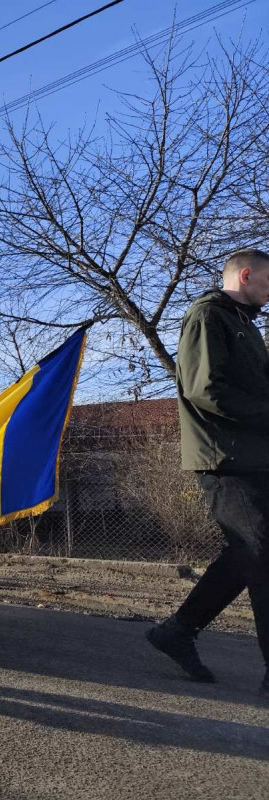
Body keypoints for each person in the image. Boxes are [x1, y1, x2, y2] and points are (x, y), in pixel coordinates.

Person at [146, 248, 269, 696]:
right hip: (224, 459)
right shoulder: (207, 317)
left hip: (255, 457)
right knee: (261, 553)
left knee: (248, 552)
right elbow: (206, 390)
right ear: (247, 274)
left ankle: (178, 631)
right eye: (268, 284)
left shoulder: (244, 325)